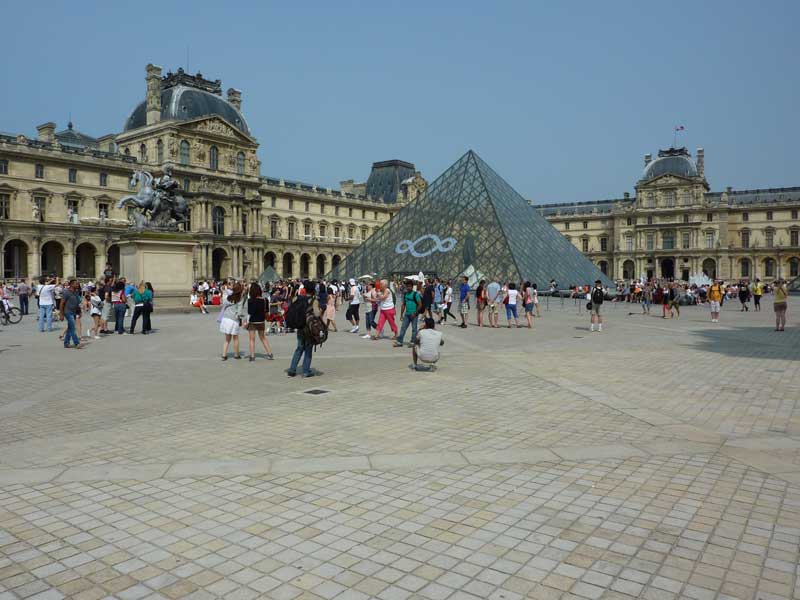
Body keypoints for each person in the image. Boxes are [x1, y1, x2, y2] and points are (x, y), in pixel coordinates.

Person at [287, 280, 323, 378]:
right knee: (308, 349)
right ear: (313, 290)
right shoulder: (313, 300)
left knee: (299, 348)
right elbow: (317, 314)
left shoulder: (297, 298)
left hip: (299, 326)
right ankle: (306, 371)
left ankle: (292, 369)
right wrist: (320, 309)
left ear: (305, 289)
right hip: (309, 328)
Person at [246, 282, 274, 361]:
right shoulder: (265, 300)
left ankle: (252, 356)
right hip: (261, 321)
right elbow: (267, 311)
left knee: (252, 339)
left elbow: (249, 312)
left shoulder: (250, 300)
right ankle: (269, 353)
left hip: (252, 322)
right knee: (263, 338)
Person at [220, 282, 246, 360]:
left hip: (225, 319)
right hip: (233, 320)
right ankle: (236, 354)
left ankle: (224, 355)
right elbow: (239, 312)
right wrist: (242, 318)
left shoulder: (228, 297)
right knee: (235, 338)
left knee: (227, 339)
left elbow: (223, 303)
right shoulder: (240, 299)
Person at [394, 280, 422, 348]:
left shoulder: (416, 294)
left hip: (414, 315)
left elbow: (420, 305)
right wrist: (401, 314)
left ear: (412, 287)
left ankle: (413, 342)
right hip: (407, 314)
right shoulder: (405, 294)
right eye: (407, 286)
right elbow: (403, 305)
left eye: (410, 286)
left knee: (414, 329)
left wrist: (415, 313)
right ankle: (400, 341)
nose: (408, 288)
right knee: (403, 328)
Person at [59, 279, 83, 349]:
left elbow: (77, 303)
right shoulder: (66, 292)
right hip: (68, 312)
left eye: (78, 284)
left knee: (70, 328)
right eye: (76, 284)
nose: (78, 285)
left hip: (74, 312)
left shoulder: (76, 292)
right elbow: (61, 303)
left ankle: (66, 343)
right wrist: (61, 314)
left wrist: (79, 312)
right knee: (73, 328)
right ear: (71, 284)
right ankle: (77, 343)